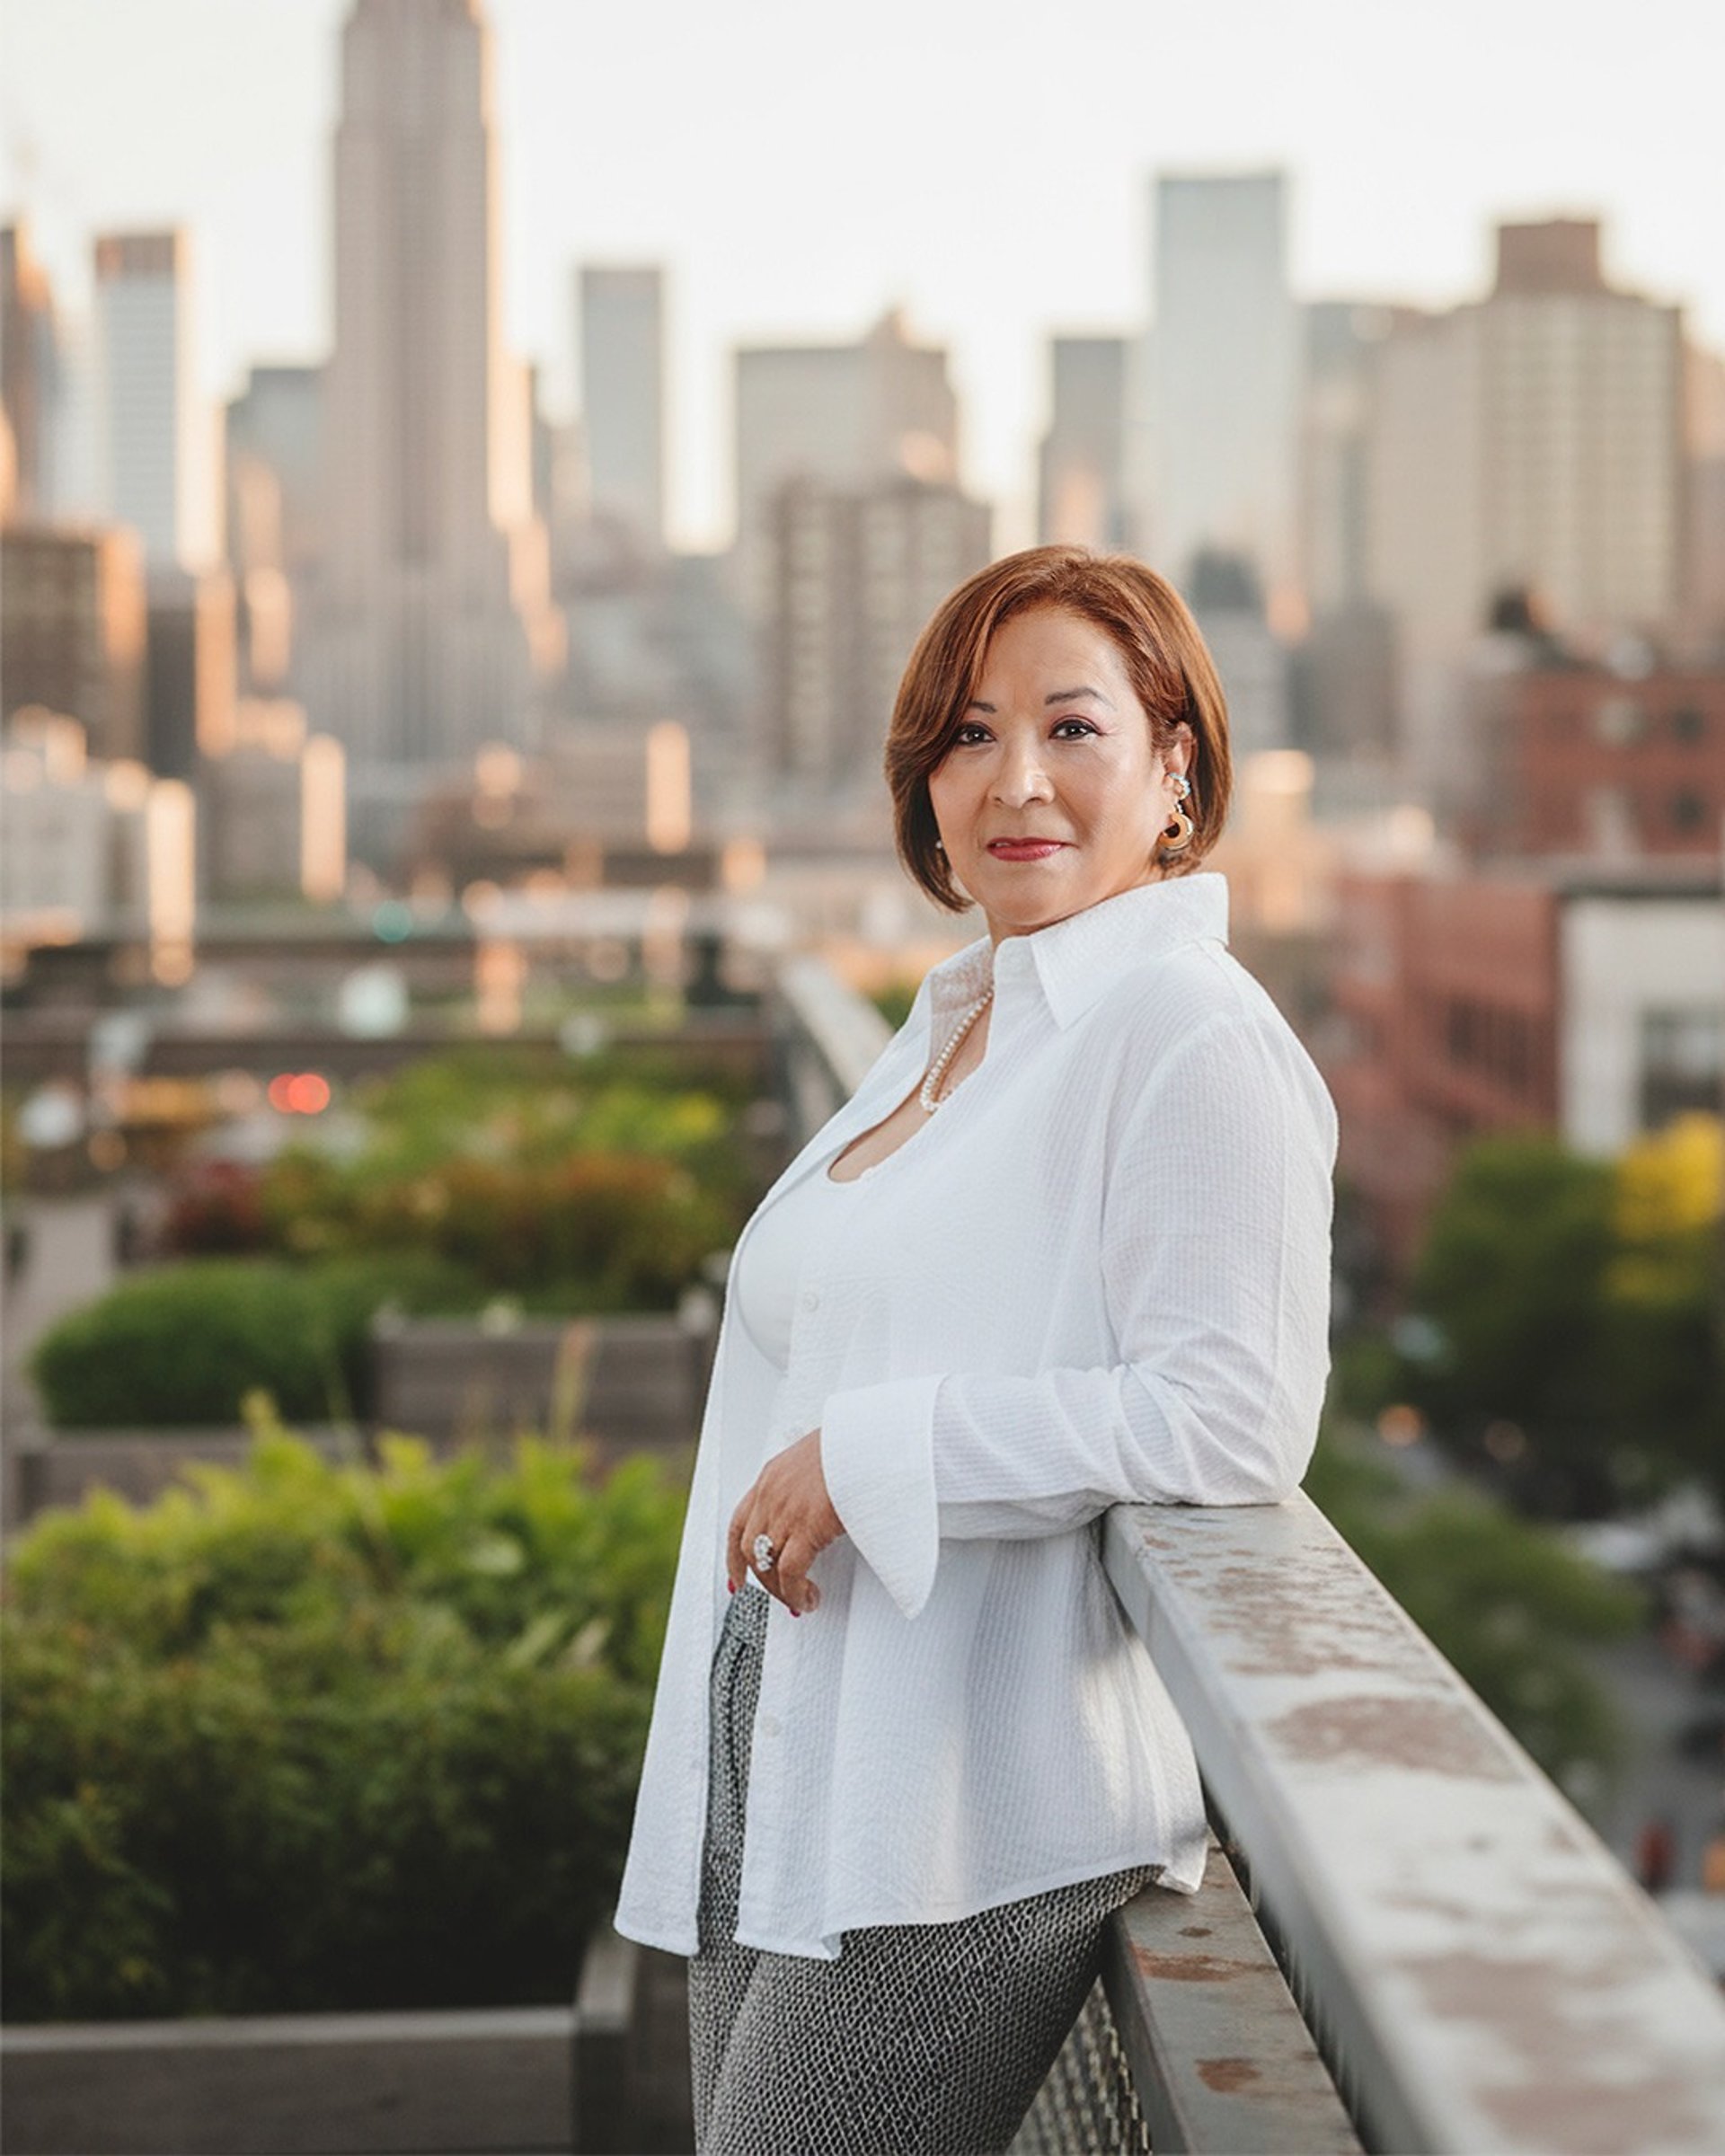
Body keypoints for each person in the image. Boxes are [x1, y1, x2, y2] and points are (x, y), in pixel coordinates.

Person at [615, 544, 1337, 2154]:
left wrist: (886, 1455)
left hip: (946, 1808)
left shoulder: (1191, 1031)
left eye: (1073, 728)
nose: (1015, 781)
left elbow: (1231, 1415)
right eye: (967, 734)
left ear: (1175, 766)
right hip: (785, 1732)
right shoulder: (961, 1021)